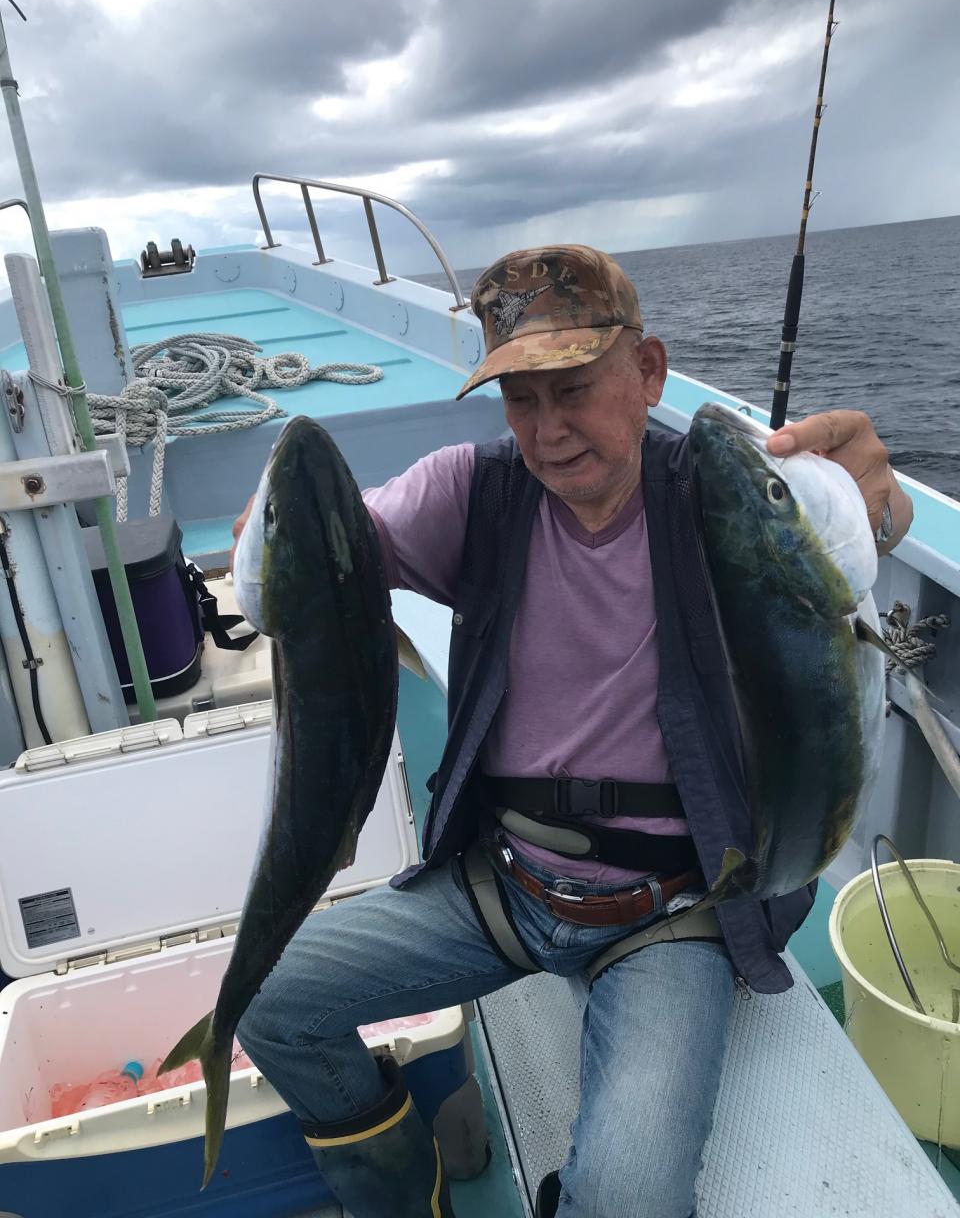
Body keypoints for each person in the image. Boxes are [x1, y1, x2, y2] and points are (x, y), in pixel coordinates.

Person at [233, 245, 912, 1218]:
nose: (548, 431)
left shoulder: (717, 498)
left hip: (667, 910)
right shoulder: (474, 492)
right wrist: (273, 523)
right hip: (504, 884)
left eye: (575, 388)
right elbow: (322, 556)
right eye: (522, 400)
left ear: (648, 372)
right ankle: (403, 1191)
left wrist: (878, 506)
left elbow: (841, 543)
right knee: (266, 1003)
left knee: (630, 1194)